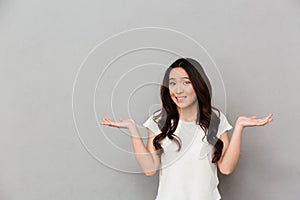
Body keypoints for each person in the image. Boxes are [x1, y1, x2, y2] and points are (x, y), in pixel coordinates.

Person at [100, 58, 273, 200]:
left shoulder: (216, 120)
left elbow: (226, 168)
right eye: (173, 83)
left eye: (186, 82)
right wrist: (133, 131)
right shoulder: (159, 121)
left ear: (198, 86)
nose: (178, 90)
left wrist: (240, 127)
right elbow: (149, 169)